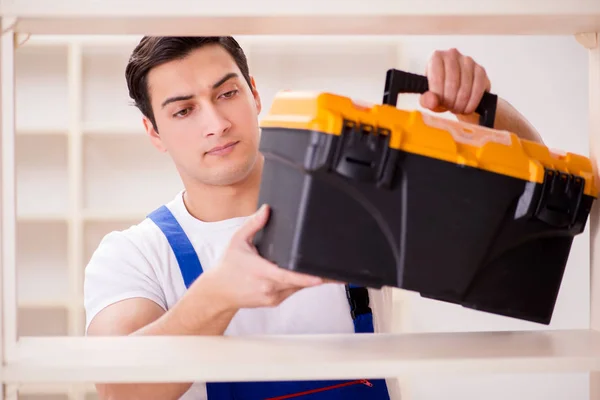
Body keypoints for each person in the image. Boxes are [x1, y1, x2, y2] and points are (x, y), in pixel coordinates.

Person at [84, 36, 544, 400]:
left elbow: (529, 205)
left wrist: (483, 112)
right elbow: (119, 391)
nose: (216, 122)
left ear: (254, 94)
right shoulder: (135, 254)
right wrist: (218, 295)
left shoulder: (352, 202)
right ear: (154, 132)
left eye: (227, 93)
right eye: (184, 110)